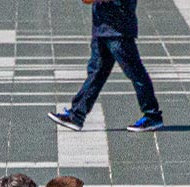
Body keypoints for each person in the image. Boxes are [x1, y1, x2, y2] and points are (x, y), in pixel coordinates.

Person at [48, 0, 164, 135]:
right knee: (96, 72)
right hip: (102, 29)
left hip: (118, 29)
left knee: (135, 72)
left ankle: (152, 115)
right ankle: (76, 115)